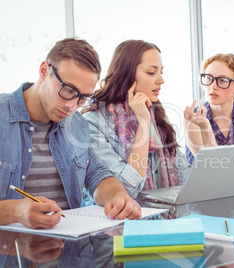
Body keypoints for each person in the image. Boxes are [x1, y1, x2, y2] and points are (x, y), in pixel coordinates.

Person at [0, 38, 142, 229]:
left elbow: (98, 175)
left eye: (83, 98)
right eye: (68, 90)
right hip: (9, 252)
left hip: (70, 252)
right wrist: (14, 211)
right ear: (44, 71)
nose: (72, 106)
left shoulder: (78, 125)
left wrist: (118, 196)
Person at [83, 40, 190, 198]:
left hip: (168, 218)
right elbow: (125, 191)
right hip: (124, 220)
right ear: (127, 73)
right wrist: (143, 124)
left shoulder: (157, 115)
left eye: (161, 72)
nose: (161, 80)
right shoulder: (94, 121)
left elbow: (184, 177)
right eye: (151, 72)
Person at [184, 53, 234, 165]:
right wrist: (205, 128)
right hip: (202, 181)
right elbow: (210, 166)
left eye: (223, 80)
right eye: (209, 78)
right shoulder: (194, 116)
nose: (213, 86)